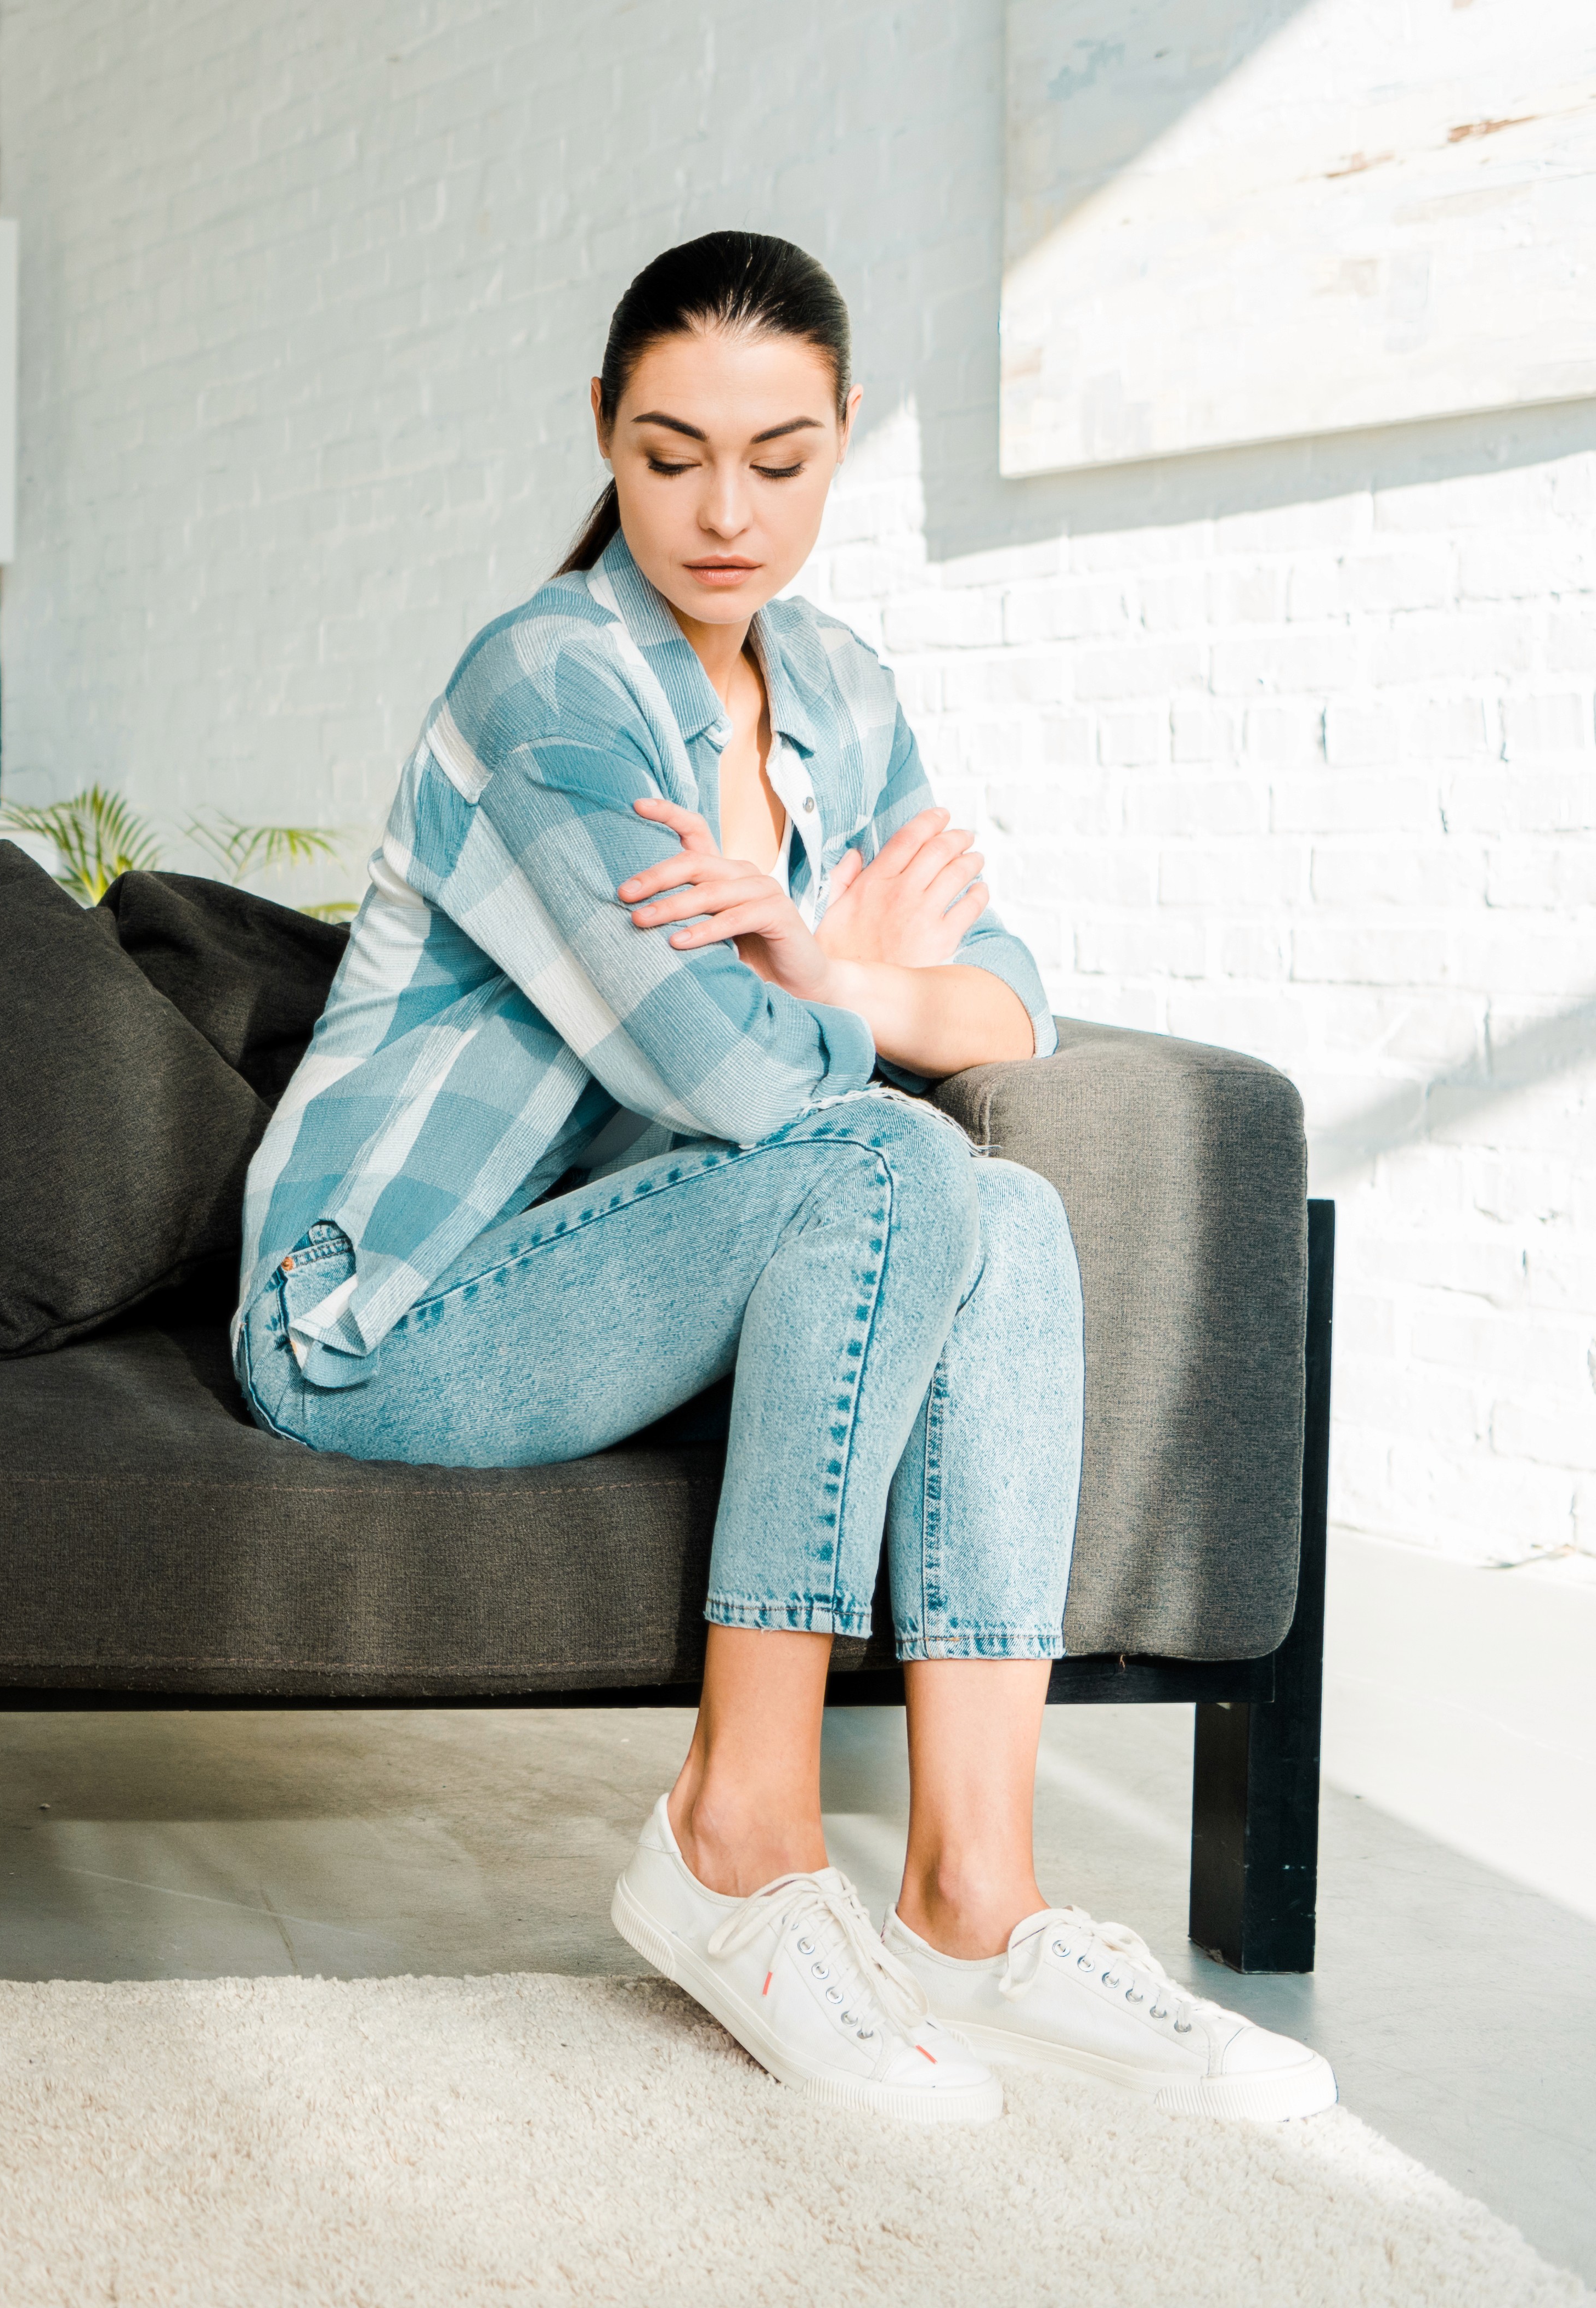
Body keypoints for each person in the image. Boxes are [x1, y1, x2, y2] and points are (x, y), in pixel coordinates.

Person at [238, 233, 1331, 2125]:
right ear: (604, 431)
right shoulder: (549, 686)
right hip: (388, 1314)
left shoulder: (835, 687)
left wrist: (823, 961)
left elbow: (1011, 1007)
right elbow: (721, 1073)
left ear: (843, 440)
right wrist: (859, 988)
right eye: (671, 458)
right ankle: (734, 1840)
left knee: (1009, 1204)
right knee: (895, 1155)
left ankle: (976, 1904)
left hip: (642, 1273)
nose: (726, 513)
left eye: (780, 459)